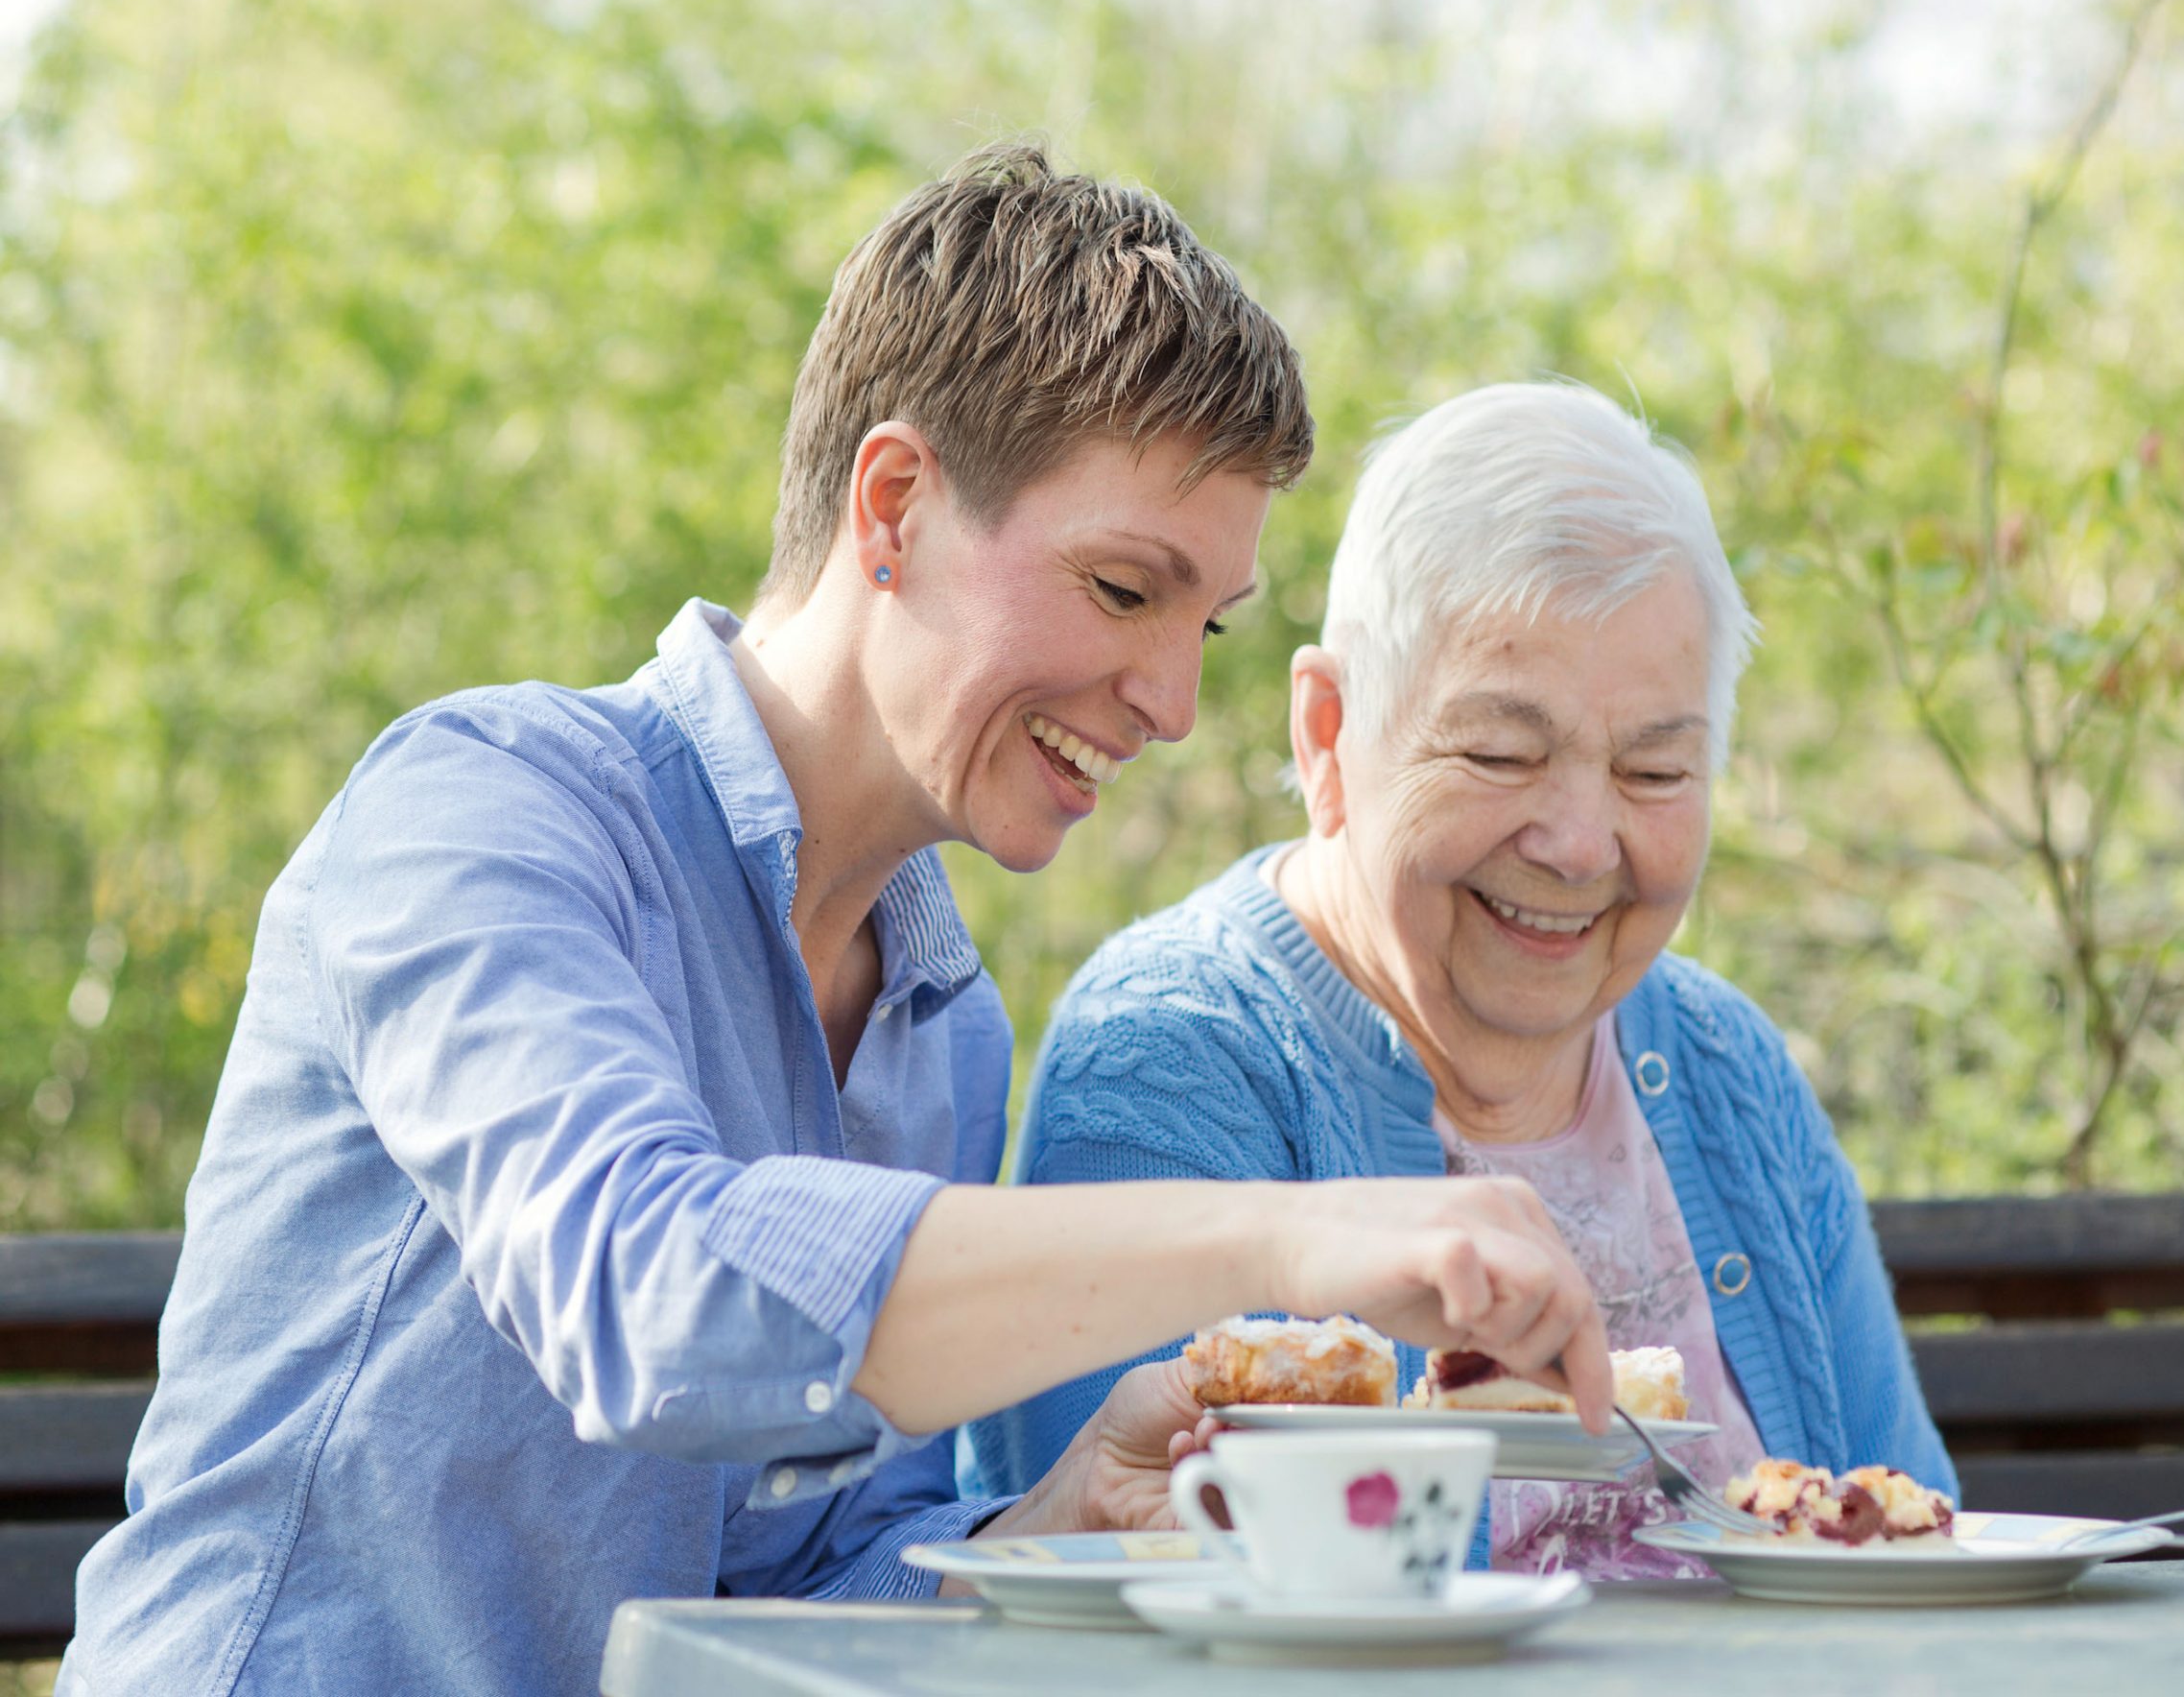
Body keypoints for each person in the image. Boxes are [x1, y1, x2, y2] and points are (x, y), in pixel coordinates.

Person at [61, 153, 1616, 1697]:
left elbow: (795, 1578)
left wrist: (1060, 1515)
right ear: (894, 506)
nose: (1173, 701)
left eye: (1203, 624)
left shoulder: (941, 1026)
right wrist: (1291, 1236)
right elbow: (645, 1292)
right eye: (1124, 589)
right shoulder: (484, 809)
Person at [972, 381, 1954, 1578]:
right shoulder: (1170, 1059)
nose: (1579, 844)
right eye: (1499, 753)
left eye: (1653, 772)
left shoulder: (1726, 1067)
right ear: (1326, 735)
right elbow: (1136, 1588)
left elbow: (1920, 1542)